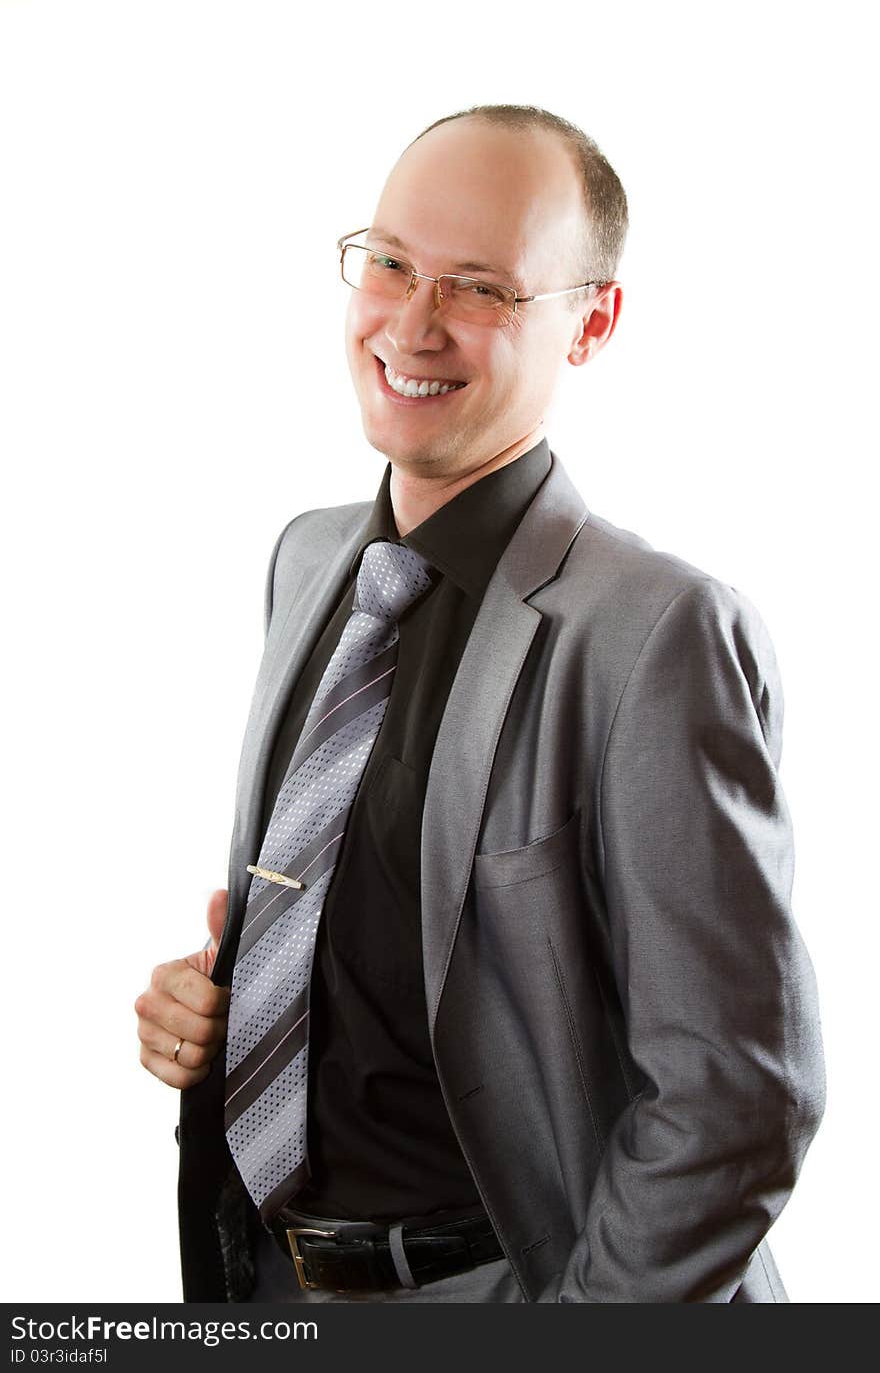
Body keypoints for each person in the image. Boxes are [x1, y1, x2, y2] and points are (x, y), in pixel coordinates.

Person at [135, 103, 826, 1303]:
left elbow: (737, 1095)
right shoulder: (309, 563)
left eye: (481, 290)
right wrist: (217, 1015)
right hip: (271, 1287)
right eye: (391, 263)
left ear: (591, 321)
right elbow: (385, 943)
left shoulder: (655, 633)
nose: (411, 323)